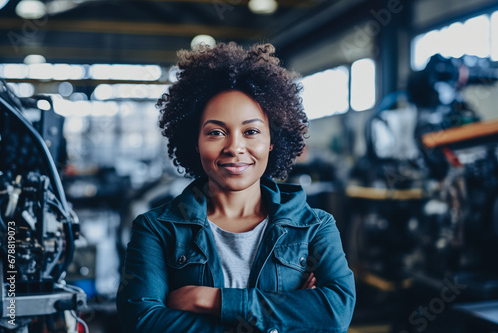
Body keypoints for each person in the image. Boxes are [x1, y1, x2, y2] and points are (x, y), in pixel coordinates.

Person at [116, 42, 355, 333]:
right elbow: (142, 322)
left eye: (251, 131)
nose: (234, 147)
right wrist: (288, 312)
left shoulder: (314, 228)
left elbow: (335, 314)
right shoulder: (156, 230)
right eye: (216, 132)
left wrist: (210, 299)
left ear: (272, 140)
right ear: (195, 142)